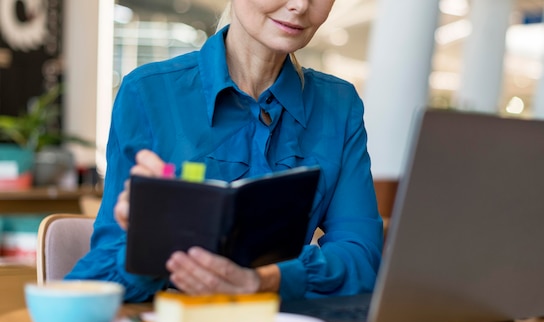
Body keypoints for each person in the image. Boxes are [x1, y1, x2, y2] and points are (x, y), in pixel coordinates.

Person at [66, 0, 383, 302]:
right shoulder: (148, 94)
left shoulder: (339, 106)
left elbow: (362, 257)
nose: (300, 5)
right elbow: (94, 282)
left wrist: (267, 280)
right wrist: (147, 242)